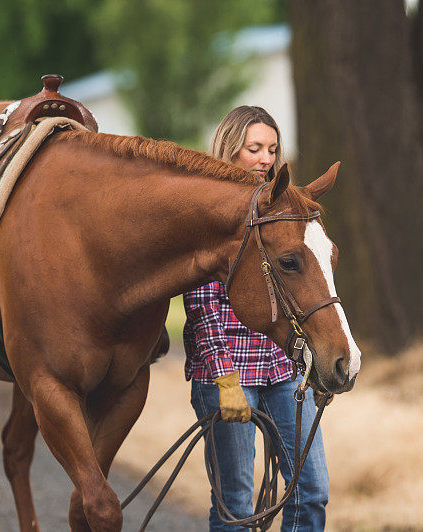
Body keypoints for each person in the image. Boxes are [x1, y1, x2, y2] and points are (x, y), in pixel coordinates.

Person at [183, 106, 329, 531]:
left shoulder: (281, 207)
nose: (266, 159)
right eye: (254, 149)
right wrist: (224, 379)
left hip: (281, 369)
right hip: (229, 372)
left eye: (272, 149)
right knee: (236, 506)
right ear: (230, 150)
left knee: (311, 492)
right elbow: (203, 307)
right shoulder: (206, 213)